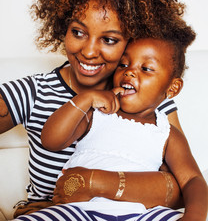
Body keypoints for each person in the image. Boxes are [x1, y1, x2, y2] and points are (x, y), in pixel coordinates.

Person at [0, 0, 192, 218]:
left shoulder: (146, 99)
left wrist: (97, 184)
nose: (89, 52)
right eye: (78, 32)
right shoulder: (34, 91)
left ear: (132, 39)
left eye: (109, 39)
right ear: (63, 28)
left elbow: (181, 188)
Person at [22, 26, 207, 220]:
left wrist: (194, 216)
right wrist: (84, 99)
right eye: (124, 64)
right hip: (77, 210)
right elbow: (51, 140)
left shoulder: (167, 133)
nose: (130, 73)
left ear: (172, 88)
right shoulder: (98, 113)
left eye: (146, 69)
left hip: (140, 213)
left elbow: (193, 180)